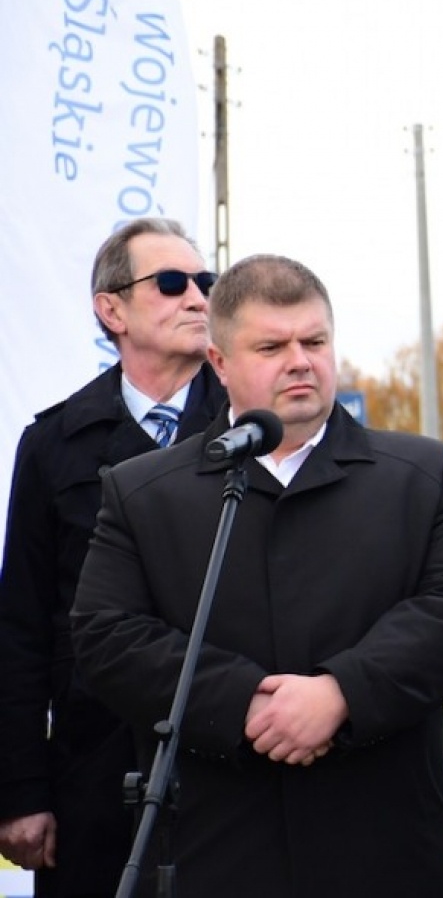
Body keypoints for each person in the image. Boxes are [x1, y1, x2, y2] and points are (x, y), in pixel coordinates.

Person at [70, 254, 443, 897]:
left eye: (314, 341)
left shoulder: (421, 475)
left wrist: (340, 694)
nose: (300, 360)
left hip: (385, 845)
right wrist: (244, 703)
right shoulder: (144, 493)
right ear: (219, 363)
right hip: (217, 845)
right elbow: (108, 635)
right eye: (272, 345)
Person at [0, 218, 227, 896]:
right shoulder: (54, 443)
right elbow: (20, 628)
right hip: (92, 772)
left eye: (204, 282)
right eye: (170, 282)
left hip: (229, 760)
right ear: (112, 308)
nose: (197, 297)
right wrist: (18, 787)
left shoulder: (253, 425)